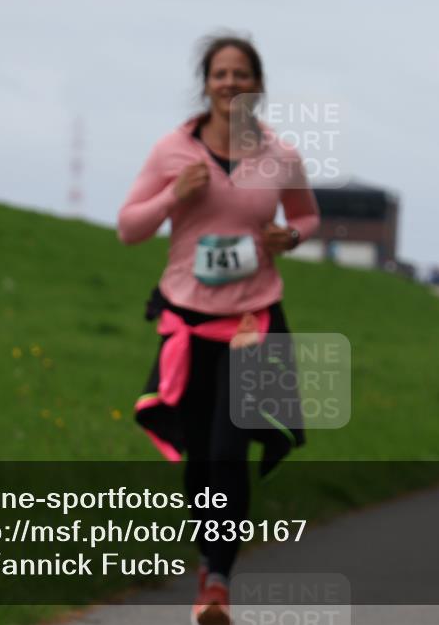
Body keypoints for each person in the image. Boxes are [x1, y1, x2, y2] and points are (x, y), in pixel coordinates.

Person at [117, 33, 320, 625]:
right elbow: (129, 228)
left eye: (242, 75)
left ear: (258, 86)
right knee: (201, 459)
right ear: (205, 83)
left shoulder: (280, 155)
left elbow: (305, 214)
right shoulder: (171, 151)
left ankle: (218, 582)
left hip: (252, 323)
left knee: (230, 450)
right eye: (220, 74)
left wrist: (294, 237)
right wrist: (171, 198)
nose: (231, 84)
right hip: (186, 322)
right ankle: (210, 558)